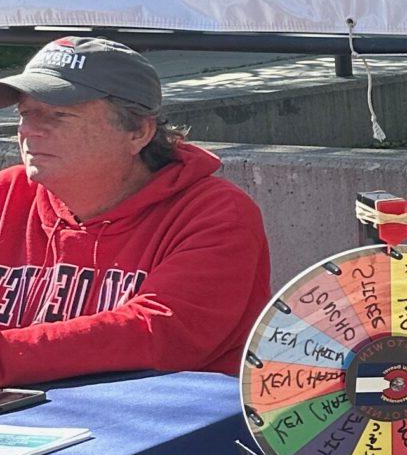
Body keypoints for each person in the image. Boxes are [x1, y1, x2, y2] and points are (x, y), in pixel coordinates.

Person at [0, 36, 272, 385]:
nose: (29, 130)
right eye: (26, 113)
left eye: (58, 115)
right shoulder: (8, 192)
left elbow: (160, 333)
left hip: (171, 426)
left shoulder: (216, 212)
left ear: (138, 132)